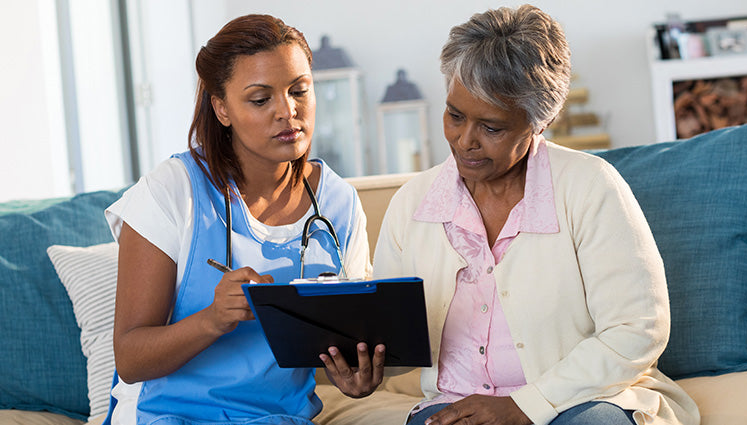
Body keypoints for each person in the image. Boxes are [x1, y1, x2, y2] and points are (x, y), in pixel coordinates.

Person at [372, 5, 700, 425]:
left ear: (537, 123)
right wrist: (370, 369)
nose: (464, 140)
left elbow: (637, 329)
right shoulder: (411, 204)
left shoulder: (590, 186)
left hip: (582, 401)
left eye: (491, 127)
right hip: (456, 406)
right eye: (455, 116)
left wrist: (524, 406)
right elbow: (396, 343)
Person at [103, 14, 384, 425]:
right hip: (166, 415)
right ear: (222, 108)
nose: (287, 112)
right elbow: (130, 359)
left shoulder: (338, 202)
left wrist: (355, 376)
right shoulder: (172, 190)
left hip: (280, 418)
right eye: (260, 99)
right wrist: (212, 320)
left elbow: (345, 340)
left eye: (299, 91)